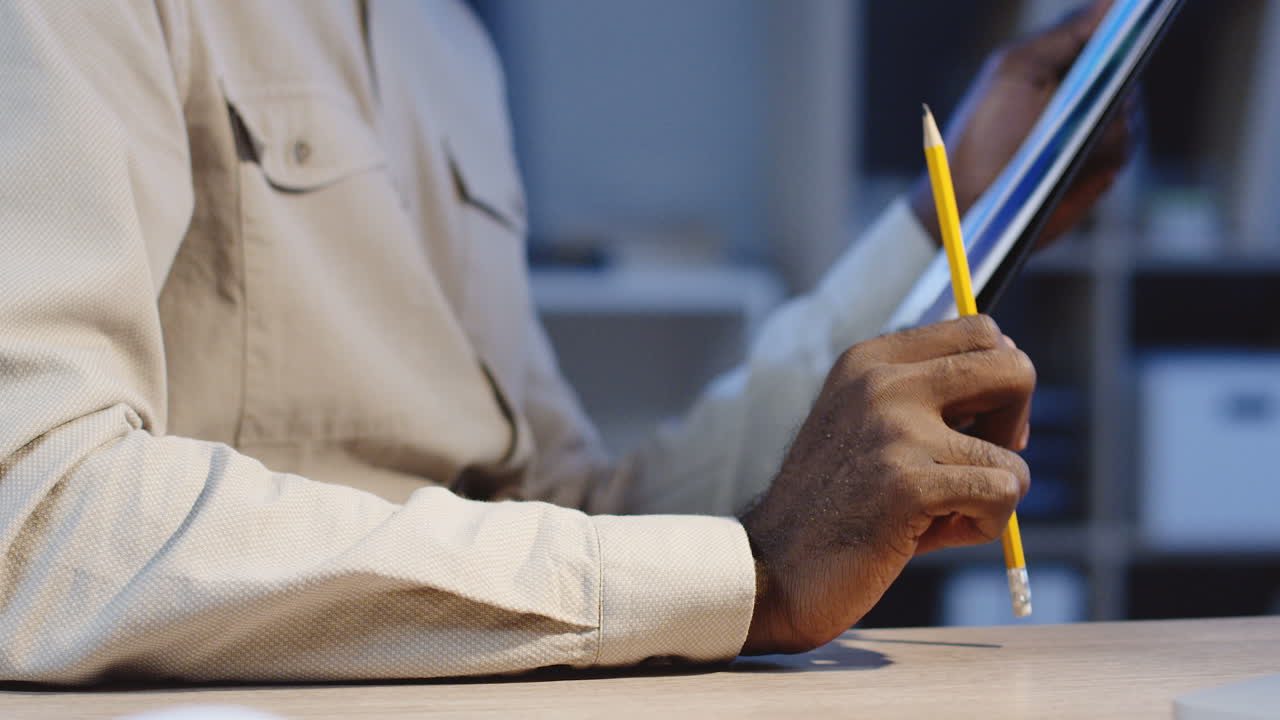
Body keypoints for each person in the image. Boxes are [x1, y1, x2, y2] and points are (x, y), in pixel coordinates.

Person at [0, 0, 1128, 683]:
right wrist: (745, 574)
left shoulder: (447, 44)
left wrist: (941, 226)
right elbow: (35, 523)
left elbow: (573, 512)